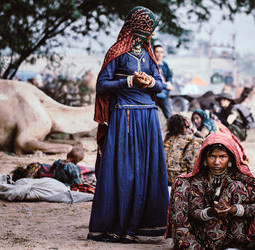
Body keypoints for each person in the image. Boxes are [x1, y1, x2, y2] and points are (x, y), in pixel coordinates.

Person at [88, 6, 169, 243]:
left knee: (148, 170)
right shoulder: (116, 53)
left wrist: (151, 81)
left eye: (150, 31)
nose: (147, 36)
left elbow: (161, 86)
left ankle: (147, 228)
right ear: (132, 28)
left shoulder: (149, 55)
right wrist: (129, 81)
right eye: (144, 30)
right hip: (124, 117)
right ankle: (118, 226)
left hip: (149, 117)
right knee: (123, 171)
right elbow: (102, 86)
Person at [166, 131, 255, 249]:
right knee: (181, 182)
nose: (216, 162)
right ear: (205, 158)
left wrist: (233, 209)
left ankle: (235, 246)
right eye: (212, 156)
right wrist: (211, 211)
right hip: (202, 234)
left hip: (233, 234)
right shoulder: (197, 180)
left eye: (222, 157)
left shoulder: (242, 177)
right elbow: (194, 212)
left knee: (236, 186)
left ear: (230, 158)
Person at [11, 146, 96, 191]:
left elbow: (53, 167)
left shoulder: (59, 161)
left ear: (67, 155)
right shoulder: (73, 168)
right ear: (77, 162)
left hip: (57, 178)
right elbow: (77, 182)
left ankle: (33, 170)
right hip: (63, 183)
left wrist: (52, 172)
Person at [164, 114, 203, 185]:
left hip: (164, 175)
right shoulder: (187, 138)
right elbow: (206, 140)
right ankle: (192, 179)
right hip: (178, 176)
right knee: (195, 144)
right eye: (186, 127)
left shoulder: (167, 138)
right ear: (183, 127)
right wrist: (191, 127)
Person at [154, 44, 173, 119]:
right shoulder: (150, 64)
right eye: (157, 52)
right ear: (153, 52)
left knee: (170, 116)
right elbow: (153, 81)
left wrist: (169, 82)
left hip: (164, 94)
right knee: (152, 117)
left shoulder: (164, 64)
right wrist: (166, 85)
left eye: (161, 52)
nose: (159, 54)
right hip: (153, 94)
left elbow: (169, 76)